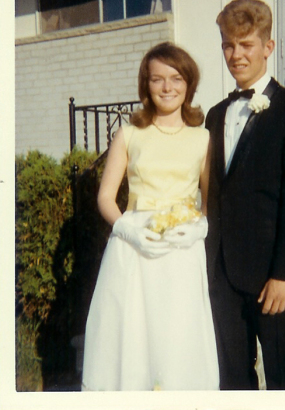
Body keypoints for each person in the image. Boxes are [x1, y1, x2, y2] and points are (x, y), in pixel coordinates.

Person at [82, 42, 219, 391]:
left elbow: (210, 200)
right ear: (146, 85)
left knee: (176, 337)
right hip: (134, 250)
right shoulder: (129, 134)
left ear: (189, 83)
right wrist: (128, 228)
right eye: (157, 79)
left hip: (180, 250)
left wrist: (199, 227)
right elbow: (106, 197)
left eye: (176, 78)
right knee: (132, 334)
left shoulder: (203, 138)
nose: (167, 87)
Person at [205, 0, 285, 390]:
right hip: (223, 275)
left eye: (246, 44)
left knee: (284, 378)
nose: (235, 54)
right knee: (232, 378)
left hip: (274, 279)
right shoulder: (216, 114)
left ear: (268, 47)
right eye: (228, 45)